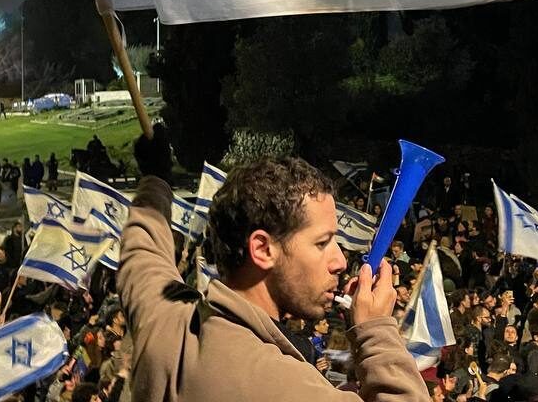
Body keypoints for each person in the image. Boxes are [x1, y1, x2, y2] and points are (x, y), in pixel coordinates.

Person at [120, 134, 429, 402]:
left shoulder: (163, 317)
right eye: (322, 243)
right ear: (263, 250)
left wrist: (155, 180)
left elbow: (143, 250)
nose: (340, 261)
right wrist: (376, 332)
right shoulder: (282, 385)